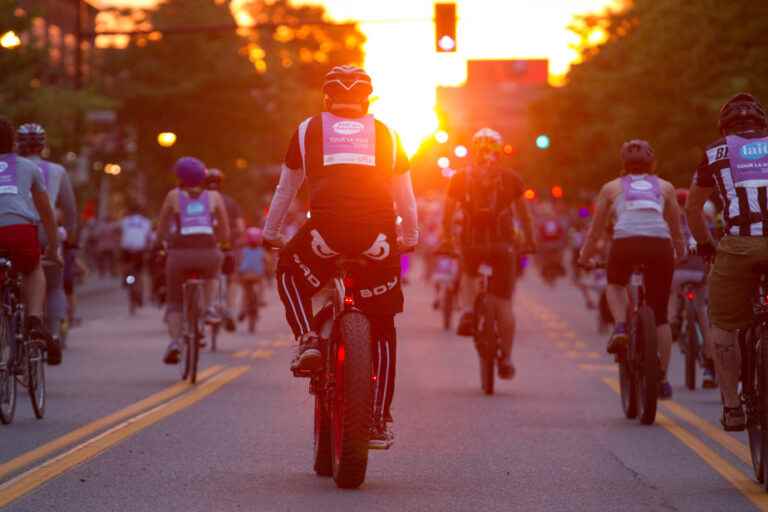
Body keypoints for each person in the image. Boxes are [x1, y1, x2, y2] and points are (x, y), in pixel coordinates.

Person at [262, 65, 418, 447]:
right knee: (382, 327)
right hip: (377, 239)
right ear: (367, 100)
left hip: (324, 234)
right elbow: (406, 199)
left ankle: (309, 338)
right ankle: (377, 420)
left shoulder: (307, 129)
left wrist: (271, 233)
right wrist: (409, 237)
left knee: (287, 272)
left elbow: (287, 190)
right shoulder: (389, 135)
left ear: (327, 99)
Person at [685, 92, 768, 430]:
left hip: (738, 246)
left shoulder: (714, 153)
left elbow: (692, 209)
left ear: (725, 126)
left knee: (723, 326)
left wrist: (707, 246)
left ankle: (733, 407)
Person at [579, 139, 686, 400]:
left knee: (615, 284)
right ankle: (661, 378)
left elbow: (595, 232)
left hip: (625, 244)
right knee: (660, 317)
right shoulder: (666, 187)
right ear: (652, 164)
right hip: (659, 246)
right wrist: (680, 253)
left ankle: (619, 328)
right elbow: (676, 229)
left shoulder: (610, 188)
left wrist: (585, 257)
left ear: (623, 165)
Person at [441, 127, 536, 380]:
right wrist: (529, 241)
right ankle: (506, 358)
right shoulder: (511, 178)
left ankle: (469, 313)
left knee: (470, 277)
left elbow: (448, 212)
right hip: (503, 247)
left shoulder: (460, 178)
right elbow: (524, 215)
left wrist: (447, 239)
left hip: (471, 244)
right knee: (504, 304)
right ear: (500, 151)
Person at [154, 157, 230, 364]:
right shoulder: (214, 197)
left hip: (179, 255)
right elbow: (224, 227)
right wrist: (224, 244)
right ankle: (209, 308)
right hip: (208, 253)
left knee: (175, 301)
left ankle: (175, 343)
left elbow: (162, 228)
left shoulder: (173, 196)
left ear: (179, 177)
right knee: (213, 273)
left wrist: (158, 244)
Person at [0, 117, 62, 364]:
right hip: (20, 231)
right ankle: (35, 320)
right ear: (13, 142)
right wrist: (54, 249)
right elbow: (46, 212)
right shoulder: (28, 167)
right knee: (33, 270)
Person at [16, 123, 77, 355]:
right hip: (44, 229)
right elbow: (70, 211)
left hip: (16, 228)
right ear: (43, 144)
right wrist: (69, 239)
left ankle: (13, 331)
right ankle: (52, 335)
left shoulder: (9, 167)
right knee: (53, 286)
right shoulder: (57, 170)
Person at [668, 188, 716, 389]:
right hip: (699, 271)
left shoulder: (670, 221)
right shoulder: (703, 219)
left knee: (672, 293)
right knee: (704, 314)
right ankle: (709, 367)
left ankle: (674, 320)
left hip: (678, 271)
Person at [206, 168, 245, 331]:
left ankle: (208, 307)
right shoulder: (231, 202)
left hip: (206, 248)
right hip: (227, 247)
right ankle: (229, 310)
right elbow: (241, 227)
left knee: (206, 277)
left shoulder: (200, 201)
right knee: (233, 278)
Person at [119, 201, 152, 306]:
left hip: (127, 249)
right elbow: (148, 238)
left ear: (130, 211)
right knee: (140, 273)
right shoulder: (146, 222)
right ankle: (139, 293)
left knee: (125, 266)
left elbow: (121, 233)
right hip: (140, 250)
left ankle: (125, 278)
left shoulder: (125, 221)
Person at [238, 227, 268, 323]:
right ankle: (260, 300)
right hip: (257, 276)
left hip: (245, 275)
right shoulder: (261, 251)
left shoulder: (244, 250)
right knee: (262, 285)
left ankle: (242, 309)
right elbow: (267, 261)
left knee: (245, 293)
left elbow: (240, 261)